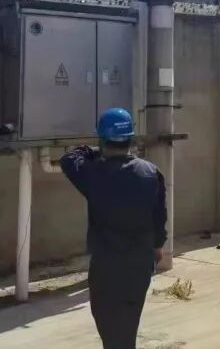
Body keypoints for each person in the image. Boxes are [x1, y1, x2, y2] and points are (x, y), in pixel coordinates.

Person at [61, 107, 167, 349]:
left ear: (102, 139)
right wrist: (157, 246)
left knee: (109, 327)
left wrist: (91, 150)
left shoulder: (93, 173)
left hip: (107, 264)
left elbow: (69, 159)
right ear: (130, 139)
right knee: (128, 323)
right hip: (140, 263)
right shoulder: (151, 172)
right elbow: (159, 217)